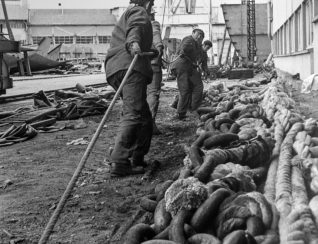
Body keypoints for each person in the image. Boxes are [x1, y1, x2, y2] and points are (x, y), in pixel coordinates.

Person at [105, 0, 154, 177]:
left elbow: (132, 31)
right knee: (133, 115)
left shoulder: (126, 14)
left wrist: (151, 49)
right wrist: (134, 44)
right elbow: (135, 29)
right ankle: (119, 162)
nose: (152, 8)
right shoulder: (138, 11)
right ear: (147, 3)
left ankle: (137, 157)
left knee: (145, 118)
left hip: (117, 68)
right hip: (129, 68)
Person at [170, 28, 205, 120]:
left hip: (189, 67)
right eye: (198, 34)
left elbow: (200, 55)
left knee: (197, 87)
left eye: (201, 36)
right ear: (193, 33)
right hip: (182, 66)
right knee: (185, 90)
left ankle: (192, 108)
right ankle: (180, 114)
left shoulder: (197, 44)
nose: (199, 37)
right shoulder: (188, 39)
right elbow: (184, 49)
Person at [147, 11, 164, 135]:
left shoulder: (133, 25)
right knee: (153, 94)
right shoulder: (153, 24)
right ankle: (150, 124)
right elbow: (158, 43)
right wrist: (158, 56)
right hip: (152, 65)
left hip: (136, 66)